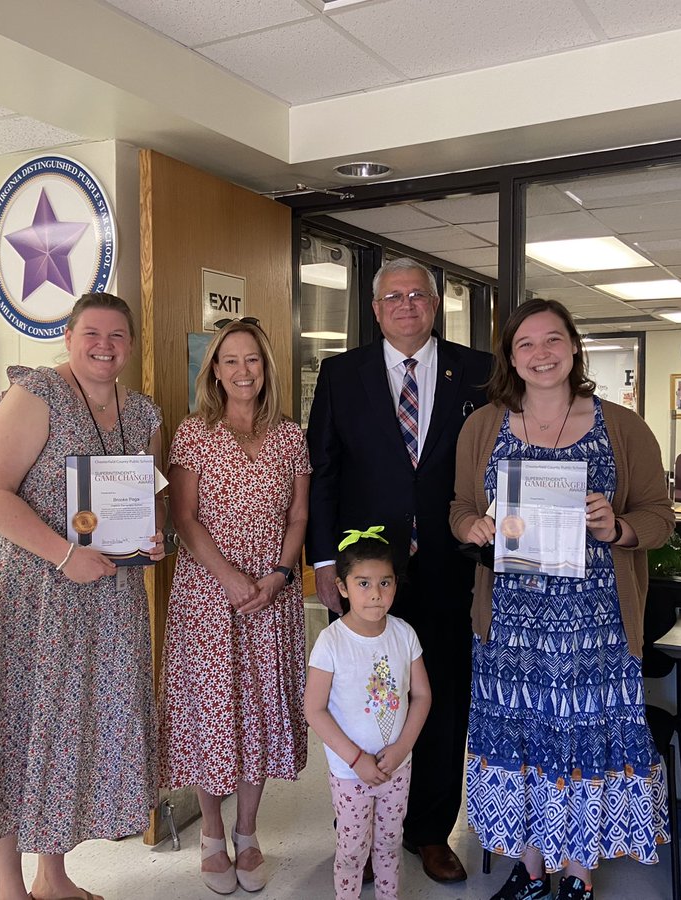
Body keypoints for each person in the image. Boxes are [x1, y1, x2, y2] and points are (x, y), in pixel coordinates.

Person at [0, 292, 166, 900]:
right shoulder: (36, 396)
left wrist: (150, 537)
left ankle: (52, 876)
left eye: (116, 335)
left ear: (130, 344)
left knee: (68, 730)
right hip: (28, 596)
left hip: (103, 604)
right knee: (13, 724)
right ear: (69, 336)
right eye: (91, 332)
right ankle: (10, 886)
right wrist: (63, 554)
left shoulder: (143, 414)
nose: (103, 345)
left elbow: (143, 496)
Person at [450, 298, 675, 900]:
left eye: (553, 340)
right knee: (520, 740)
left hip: (597, 623)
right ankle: (529, 870)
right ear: (511, 357)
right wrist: (470, 526)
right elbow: (459, 508)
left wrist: (617, 528)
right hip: (511, 622)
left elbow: (659, 517)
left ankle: (579, 876)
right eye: (526, 344)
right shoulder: (483, 425)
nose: (541, 353)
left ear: (574, 347)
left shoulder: (621, 426)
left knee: (585, 745)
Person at [307, 256, 493, 883]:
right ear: (375, 308)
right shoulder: (340, 374)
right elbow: (324, 471)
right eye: (393, 297)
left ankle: (430, 831)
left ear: (435, 305)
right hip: (366, 575)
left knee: (437, 698)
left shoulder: (477, 371)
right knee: (358, 698)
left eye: (417, 295)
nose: (405, 305)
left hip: (447, 568)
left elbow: (493, 467)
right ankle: (356, 835)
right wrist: (325, 561)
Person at [162, 319, 311, 895]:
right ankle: (211, 834)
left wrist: (277, 575)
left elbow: (298, 517)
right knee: (212, 712)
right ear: (215, 370)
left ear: (266, 367)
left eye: (252, 360)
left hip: (271, 596)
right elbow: (184, 517)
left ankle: (248, 833)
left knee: (261, 711)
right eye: (230, 361)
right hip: (208, 596)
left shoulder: (290, 436)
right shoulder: (195, 433)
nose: (243, 370)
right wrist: (228, 577)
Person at [304, 527, 431, 900]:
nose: (376, 594)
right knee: (352, 850)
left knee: (390, 846)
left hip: (396, 768)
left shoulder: (404, 634)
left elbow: (422, 695)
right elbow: (314, 709)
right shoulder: (332, 642)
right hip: (350, 773)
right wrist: (356, 759)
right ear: (342, 587)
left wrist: (401, 749)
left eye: (385, 582)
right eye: (363, 583)